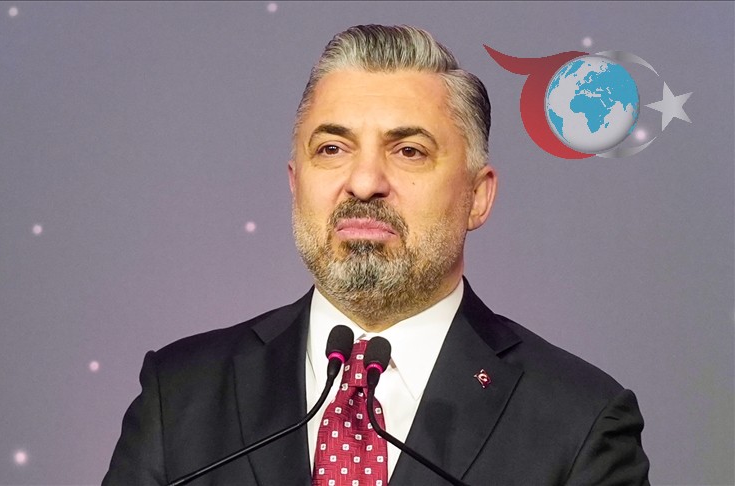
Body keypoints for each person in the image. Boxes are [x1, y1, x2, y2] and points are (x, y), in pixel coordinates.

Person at [103, 24, 650, 485]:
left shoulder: (580, 421)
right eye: (332, 149)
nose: (364, 182)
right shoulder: (180, 393)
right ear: (295, 183)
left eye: (409, 151)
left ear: (477, 197)